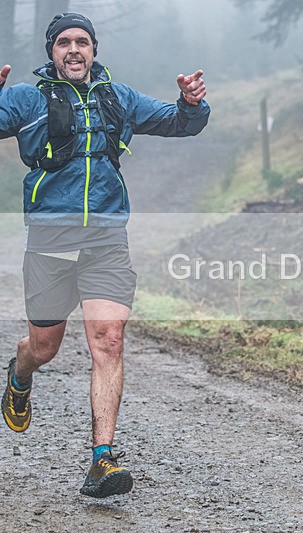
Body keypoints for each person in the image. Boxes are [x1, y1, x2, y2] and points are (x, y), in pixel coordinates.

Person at [0, 13, 209, 498]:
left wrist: (192, 103)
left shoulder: (120, 97)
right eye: (65, 43)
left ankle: (102, 460)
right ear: (51, 51)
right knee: (44, 348)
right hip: (51, 240)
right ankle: (19, 373)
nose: (74, 50)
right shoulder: (27, 98)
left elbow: (180, 122)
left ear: (94, 50)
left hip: (107, 238)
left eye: (83, 42)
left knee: (109, 341)